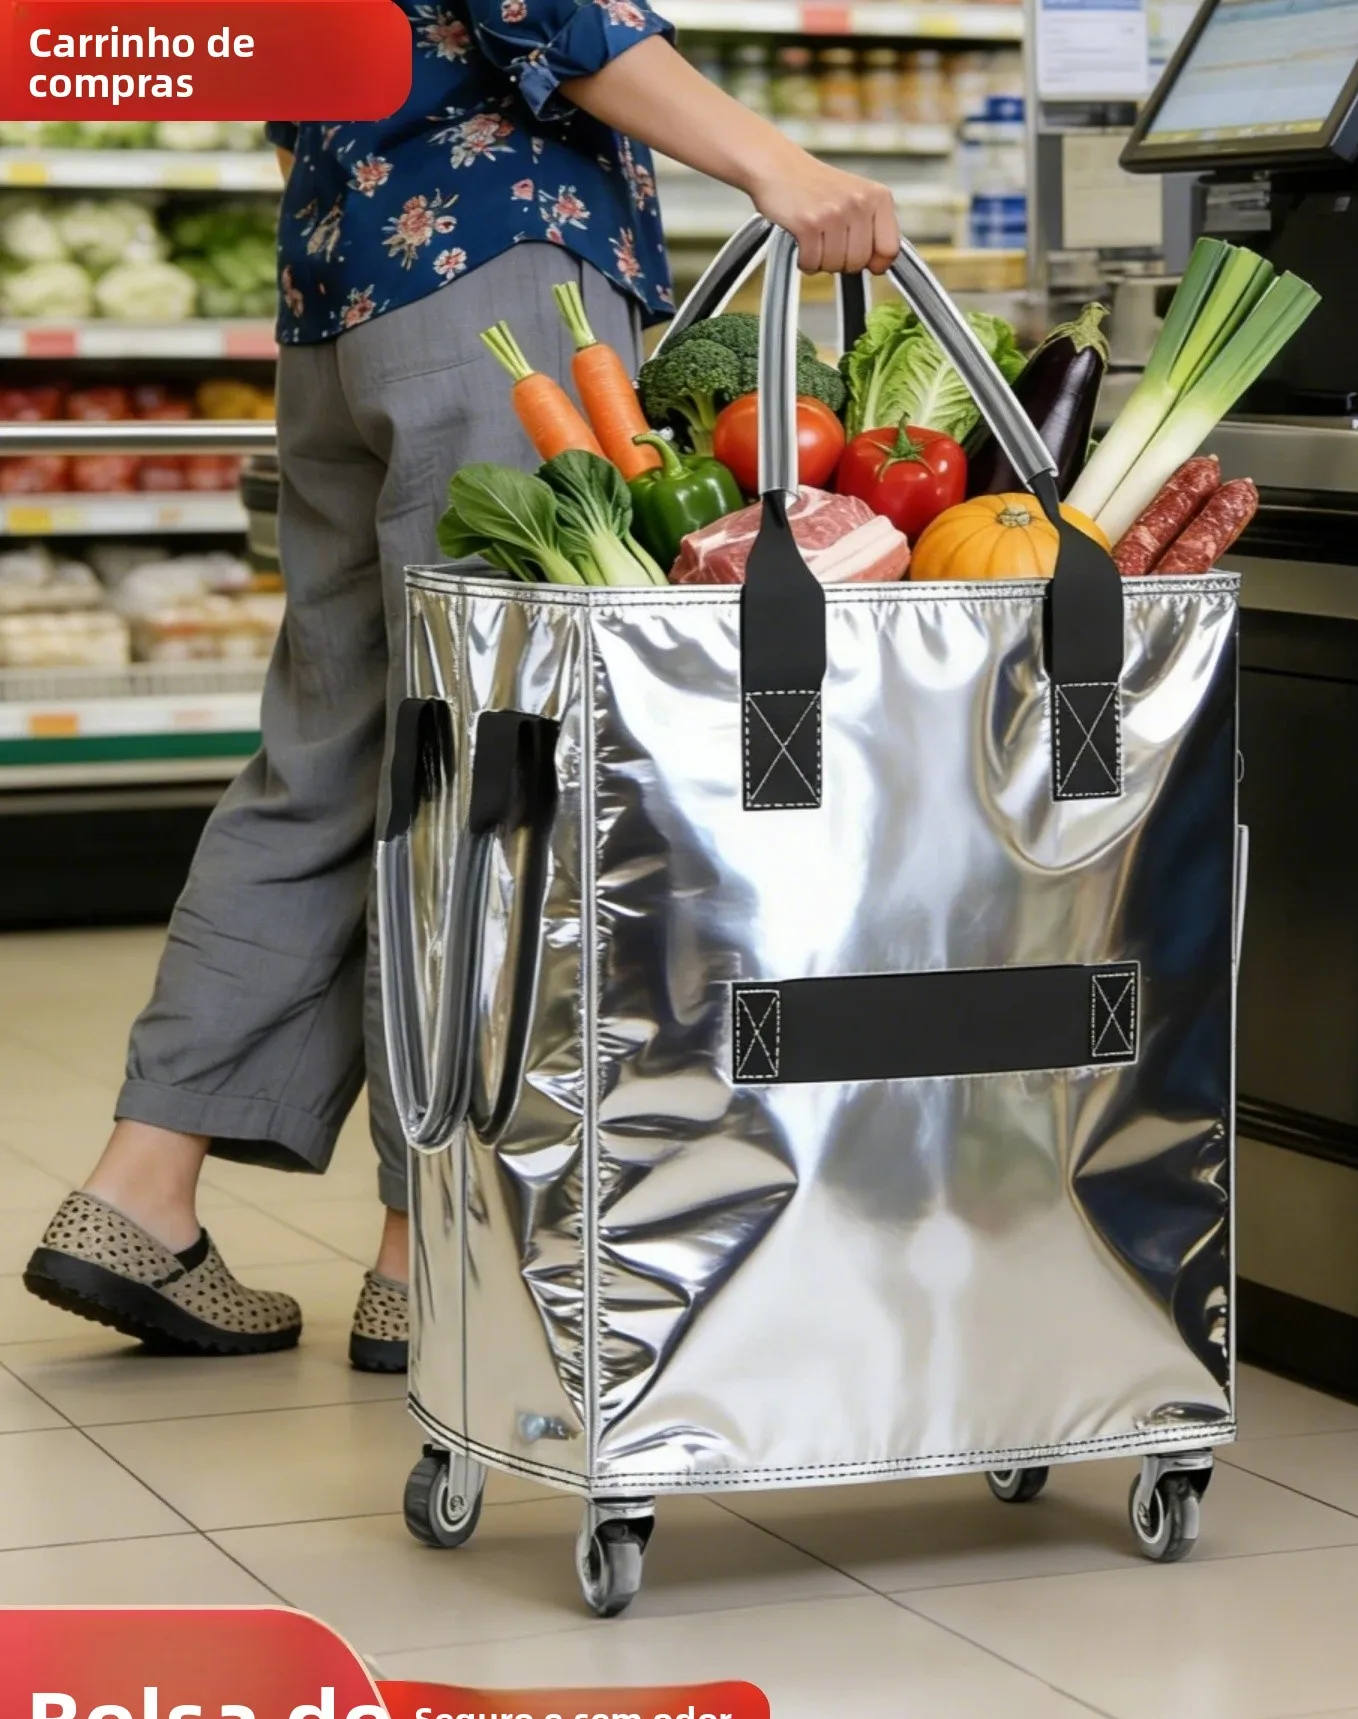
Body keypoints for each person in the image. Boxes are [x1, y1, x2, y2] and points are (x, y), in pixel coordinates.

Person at [23, 2, 899, 1370]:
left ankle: (141, 1189)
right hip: (498, 280)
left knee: (325, 754)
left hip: (338, 297)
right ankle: (424, 1246)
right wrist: (779, 167)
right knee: (494, 771)